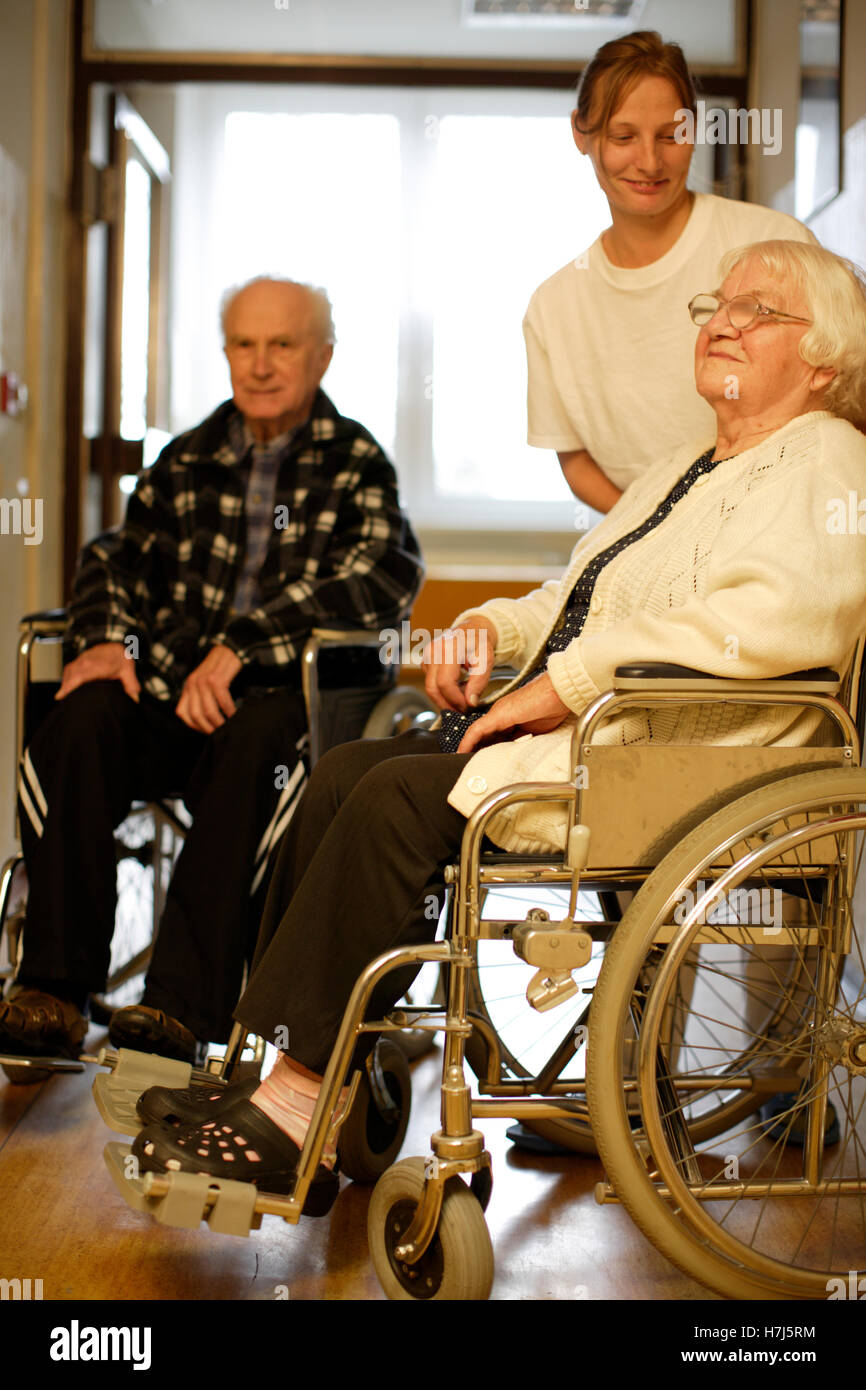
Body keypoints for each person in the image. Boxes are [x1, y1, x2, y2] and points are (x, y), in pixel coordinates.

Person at [130, 239, 866, 1208]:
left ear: (823, 357)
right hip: (607, 730)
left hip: (676, 756)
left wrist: (558, 683)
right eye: (713, 305)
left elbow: (769, 623)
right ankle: (286, 1070)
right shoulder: (690, 463)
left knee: (396, 798)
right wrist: (495, 626)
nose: (721, 319)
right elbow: (583, 589)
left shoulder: (826, 461)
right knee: (347, 770)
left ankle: (296, 1096)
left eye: (755, 309)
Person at [0, 277, 423, 1067]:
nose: (260, 365)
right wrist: (103, 636)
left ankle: (180, 1007)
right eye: (243, 344)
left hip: (275, 703)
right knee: (82, 712)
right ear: (226, 351)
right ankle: (53, 991)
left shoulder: (356, 460)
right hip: (170, 697)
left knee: (259, 742)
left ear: (322, 355)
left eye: (282, 345)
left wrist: (243, 645)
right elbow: (113, 557)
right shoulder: (185, 459)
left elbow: (380, 578)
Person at [524, 29, 817, 512]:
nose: (649, 161)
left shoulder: (776, 246)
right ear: (582, 133)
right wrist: (662, 535)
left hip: (781, 526)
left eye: (670, 135)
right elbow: (576, 461)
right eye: (623, 137)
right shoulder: (554, 307)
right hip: (649, 546)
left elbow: (841, 404)